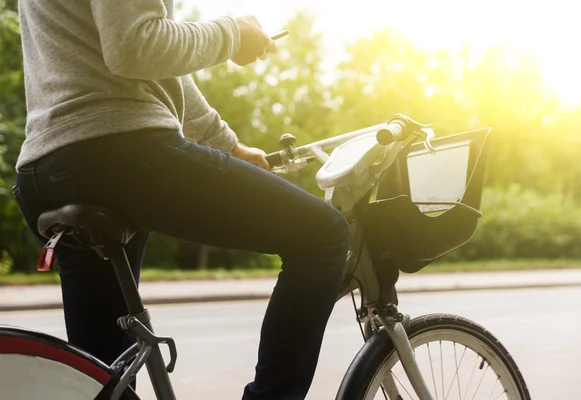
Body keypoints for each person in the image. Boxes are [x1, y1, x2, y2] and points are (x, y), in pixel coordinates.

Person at [13, 1, 350, 399]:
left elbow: (150, 65)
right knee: (321, 235)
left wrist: (229, 145)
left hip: (46, 168)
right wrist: (233, 34)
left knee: (104, 378)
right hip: (119, 152)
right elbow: (135, 46)